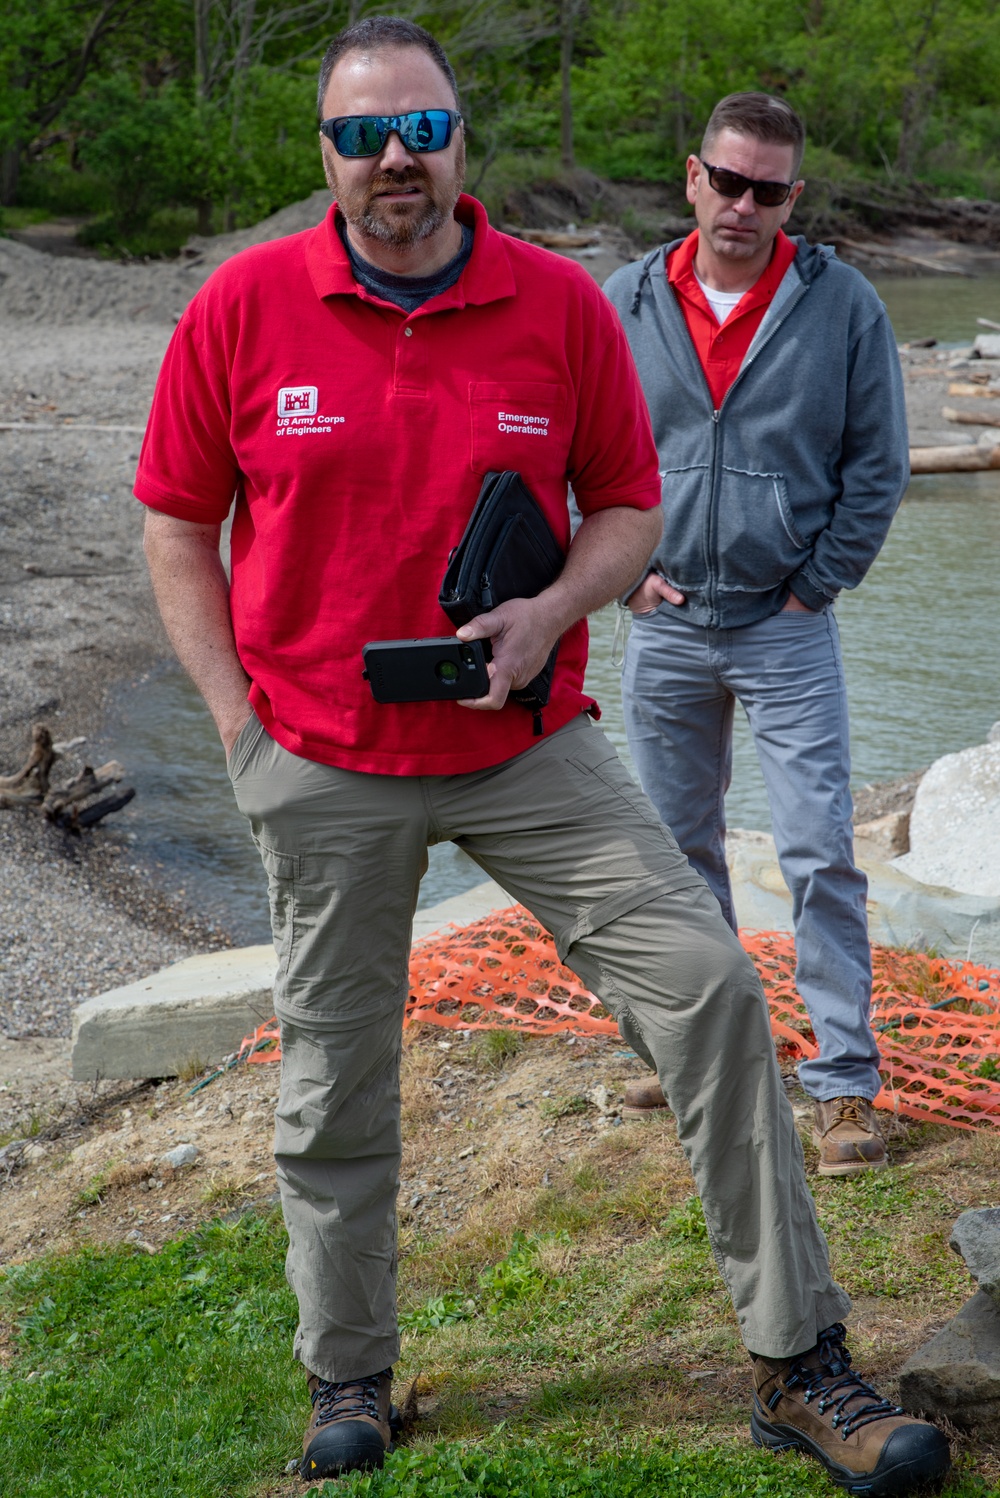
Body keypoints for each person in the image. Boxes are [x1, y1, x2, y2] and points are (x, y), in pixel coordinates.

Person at [136, 23, 948, 1495]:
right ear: (324, 154)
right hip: (317, 755)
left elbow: (628, 507)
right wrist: (236, 731)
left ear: (461, 141)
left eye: (425, 128)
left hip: (527, 743)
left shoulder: (562, 306)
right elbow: (178, 525)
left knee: (705, 987)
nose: (398, 158)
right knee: (332, 1080)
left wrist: (554, 608)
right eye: (366, 135)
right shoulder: (243, 306)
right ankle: (352, 1374)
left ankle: (799, 1360)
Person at [605, 93, 908, 1178]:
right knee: (675, 857)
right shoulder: (624, 301)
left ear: (793, 195)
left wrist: (814, 585)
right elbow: (575, 458)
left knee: (820, 851)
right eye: (726, 182)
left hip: (785, 629)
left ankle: (842, 1085)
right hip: (666, 624)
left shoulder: (845, 307)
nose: (742, 205)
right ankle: (701, 1058)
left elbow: (877, 465)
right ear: (691, 176)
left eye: (767, 189)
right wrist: (626, 577)